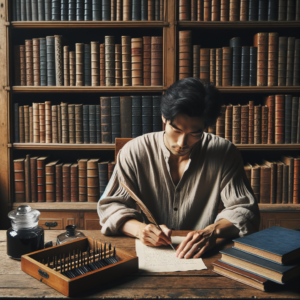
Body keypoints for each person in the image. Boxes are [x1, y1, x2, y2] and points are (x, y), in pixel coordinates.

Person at [98, 78, 260, 259]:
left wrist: (212, 231)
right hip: (146, 253)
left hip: (202, 255)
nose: (182, 143)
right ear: (164, 118)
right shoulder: (134, 151)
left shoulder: (224, 152)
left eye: (194, 133)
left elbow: (245, 211)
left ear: (205, 127)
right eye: (176, 129)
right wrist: (140, 230)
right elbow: (110, 207)